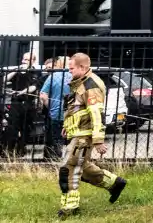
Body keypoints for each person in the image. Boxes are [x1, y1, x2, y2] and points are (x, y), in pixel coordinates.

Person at [58, 52, 127, 218]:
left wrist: (98, 140)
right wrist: (67, 126)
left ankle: (70, 207)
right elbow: (76, 109)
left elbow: (96, 114)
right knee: (83, 167)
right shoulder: (82, 82)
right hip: (78, 133)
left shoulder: (92, 85)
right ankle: (114, 183)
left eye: (72, 68)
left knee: (69, 169)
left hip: (84, 136)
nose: (70, 71)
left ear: (82, 67)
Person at [3, 51, 40, 157]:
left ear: (33, 61)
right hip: (15, 103)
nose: (24, 61)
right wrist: (16, 70)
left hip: (28, 103)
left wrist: (22, 92)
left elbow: (34, 87)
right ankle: (9, 153)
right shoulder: (17, 71)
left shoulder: (35, 72)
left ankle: (22, 152)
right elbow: (5, 80)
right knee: (12, 128)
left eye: (27, 60)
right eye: (24, 59)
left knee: (26, 129)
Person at [39, 56, 72, 159]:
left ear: (58, 64)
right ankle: (71, 162)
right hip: (73, 113)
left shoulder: (53, 76)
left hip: (56, 113)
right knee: (73, 140)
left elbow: (43, 96)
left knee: (57, 140)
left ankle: (57, 161)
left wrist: (50, 106)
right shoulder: (75, 76)